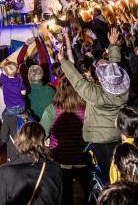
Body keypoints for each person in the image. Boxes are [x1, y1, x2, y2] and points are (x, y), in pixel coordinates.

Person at [59, 28, 129, 183]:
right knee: (118, 169)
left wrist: (63, 61)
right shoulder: (124, 91)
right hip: (117, 134)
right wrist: (113, 47)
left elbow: (77, 81)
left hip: (99, 140)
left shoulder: (95, 94)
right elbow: (116, 70)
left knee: (105, 175)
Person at [40, 77, 88, 205]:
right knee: (87, 193)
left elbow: (41, 135)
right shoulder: (86, 107)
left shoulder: (52, 109)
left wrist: (47, 139)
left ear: (60, 90)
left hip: (61, 160)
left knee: (64, 195)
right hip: (82, 157)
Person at [0, 122, 63, 205]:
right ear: (43, 141)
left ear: (19, 140)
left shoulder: (6, 171)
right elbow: (58, 198)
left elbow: (3, 202)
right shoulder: (55, 167)